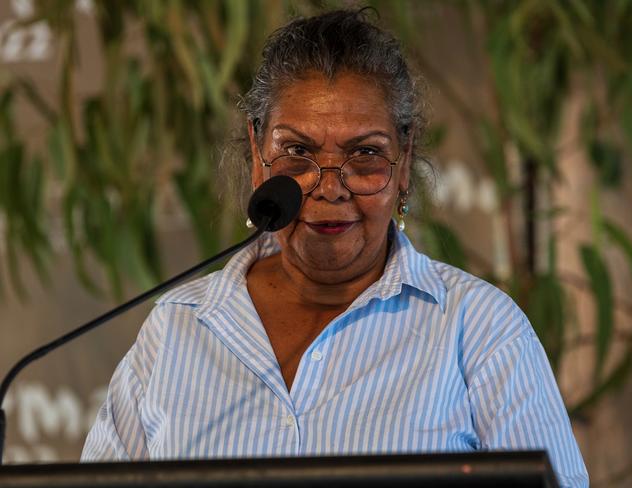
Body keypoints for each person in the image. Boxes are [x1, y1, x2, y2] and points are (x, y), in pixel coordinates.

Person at [82, 9, 588, 487]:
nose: (329, 187)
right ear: (259, 157)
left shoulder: (480, 330)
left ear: (404, 165)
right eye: (297, 152)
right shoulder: (177, 326)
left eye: (365, 155)